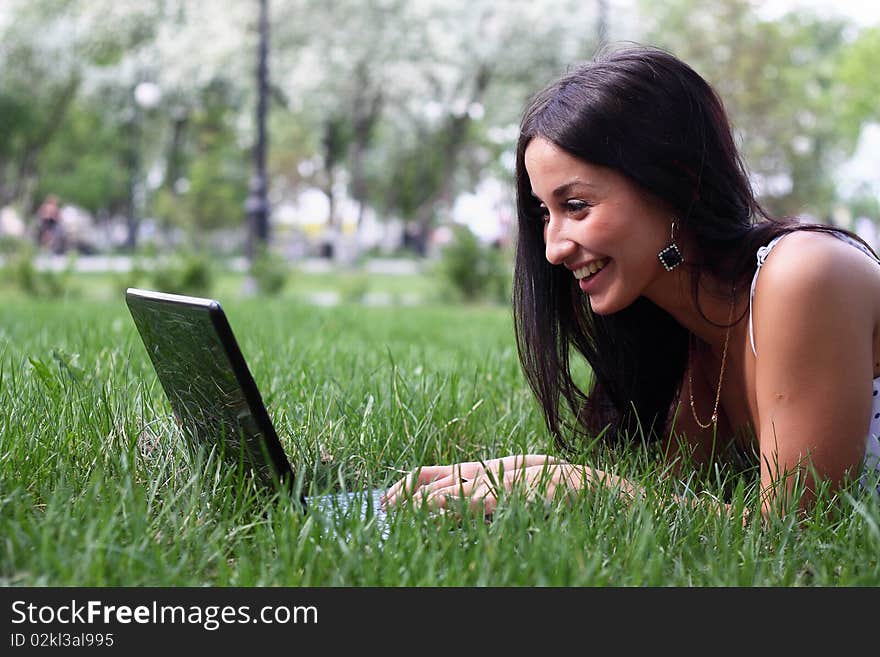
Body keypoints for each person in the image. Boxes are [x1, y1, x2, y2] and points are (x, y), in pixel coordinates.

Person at [383, 45, 880, 520]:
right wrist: (528, 479)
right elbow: (688, 508)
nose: (554, 248)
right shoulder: (701, 342)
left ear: (674, 184)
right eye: (544, 213)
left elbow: (797, 532)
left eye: (576, 205)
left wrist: (588, 488)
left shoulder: (806, 273)